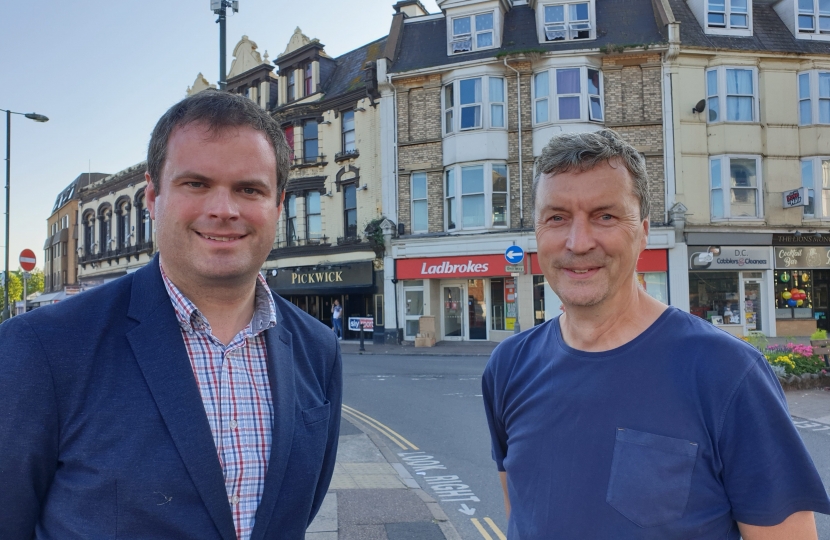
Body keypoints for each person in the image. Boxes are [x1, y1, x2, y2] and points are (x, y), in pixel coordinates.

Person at [0, 90, 342, 540]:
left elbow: (297, 507)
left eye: (249, 188)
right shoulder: (41, 347)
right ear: (152, 196)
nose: (224, 209)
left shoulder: (319, 349)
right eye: (196, 183)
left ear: (277, 205)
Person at [482, 129, 830, 539]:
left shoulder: (726, 372)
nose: (578, 242)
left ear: (644, 231)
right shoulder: (508, 366)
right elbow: (521, 513)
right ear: (537, 232)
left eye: (605, 216)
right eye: (556, 217)